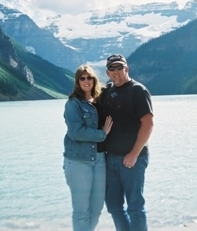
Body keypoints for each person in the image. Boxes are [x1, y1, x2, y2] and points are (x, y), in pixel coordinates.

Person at [100, 54, 154, 231]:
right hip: (110, 160)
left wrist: (134, 153)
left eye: (119, 67)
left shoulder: (138, 91)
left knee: (135, 207)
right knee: (114, 207)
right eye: (112, 68)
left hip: (133, 160)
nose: (116, 72)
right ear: (107, 72)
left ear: (126, 69)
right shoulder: (106, 91)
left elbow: (148, 123)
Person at [63, 64, 113, 231]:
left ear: (94, 79)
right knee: (81, 211)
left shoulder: (100, 100)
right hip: (78, 161)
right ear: (77, 82)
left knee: (97, 208)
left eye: (89, 77)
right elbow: (75, 132)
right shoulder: (73, 104)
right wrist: (102, 134)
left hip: (99, 160)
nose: (86, 81)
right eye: (82, 78)